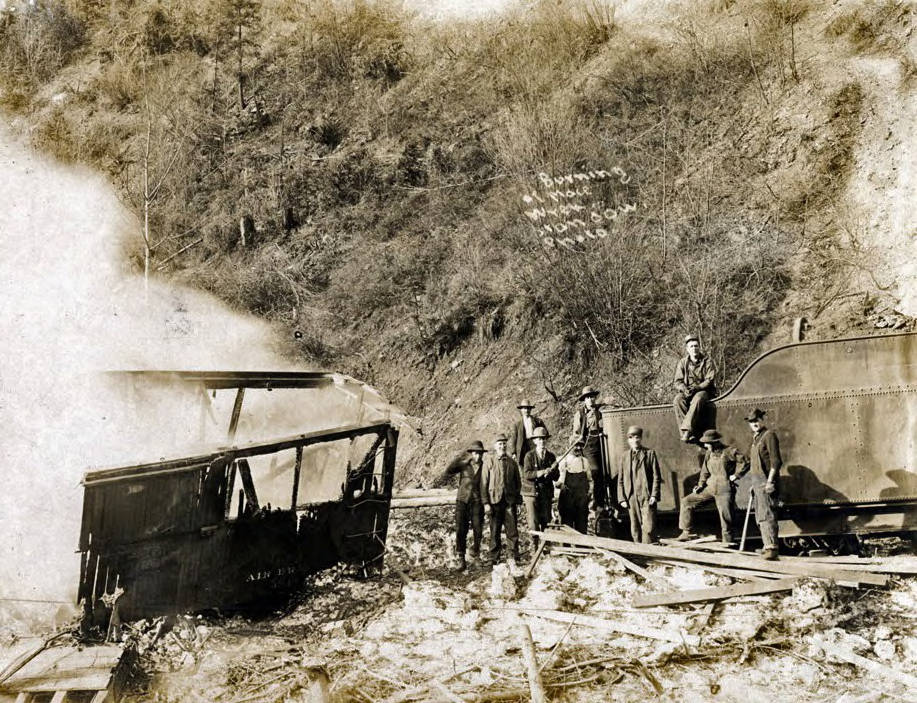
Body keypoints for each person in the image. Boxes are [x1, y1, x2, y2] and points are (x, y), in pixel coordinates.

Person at [676, 429, 747, 545]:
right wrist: (700, 485)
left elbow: (746, 462)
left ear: (714, 442)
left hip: (724, 489)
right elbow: (705, 471)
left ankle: (728, 542)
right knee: (687, 502)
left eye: (707, 443)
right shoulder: (709, 453)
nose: (705, 445)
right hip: (710, 487)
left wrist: (736, 476)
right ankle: (686, 532)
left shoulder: (729, 451)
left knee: (726, 517)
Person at [744, 408, 783, 560]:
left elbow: (776, 462)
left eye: (756, 420)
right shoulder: (756, 438)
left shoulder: (769, 435)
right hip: (757, 483)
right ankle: (767, 545)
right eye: (751, 422)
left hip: (766, 482)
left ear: (762, 420)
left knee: (767, 515)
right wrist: (753, 484)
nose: (754, 424)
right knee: (760, 516)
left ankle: (772, 548)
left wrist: (770, 481)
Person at [481, 433, 523, 569]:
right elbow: (483, 483)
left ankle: (513, 556)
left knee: (512, 530)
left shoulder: (512, 462)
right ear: (495, 446)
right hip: (494, 502)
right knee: (495, 530)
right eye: (500, 444)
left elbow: (518, 483)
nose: (502, 446)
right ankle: (494, 557)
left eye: (504, 443)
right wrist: (486, 503)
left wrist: (518, 501)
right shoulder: (489, 461)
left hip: (509, 502)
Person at [442, 440, 487, 570]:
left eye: (479, 453)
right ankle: (461, 558)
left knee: (478, 529)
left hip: (477, 501)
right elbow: (449, 471)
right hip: (462, 500)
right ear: (471, 454)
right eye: (475, 453)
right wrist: (460, 460)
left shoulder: (485, 467)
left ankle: (476, 554)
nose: (477, 456)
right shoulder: (464, 465)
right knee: (461, 529)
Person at [616, 426, 662, 544]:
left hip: (646, 495)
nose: (635, 440)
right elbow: (620, 479)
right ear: (628, 440)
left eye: (637, 437)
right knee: (635, 526)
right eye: (631, 438)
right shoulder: (624, 457)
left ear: (641, 439)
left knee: (649, 526)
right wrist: (622, 498)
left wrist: (654, 495)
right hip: (631, 496)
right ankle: (638, 549)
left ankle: (648, 549)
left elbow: (656, 476)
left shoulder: (650, 454)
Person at [673, 335, 717, 442]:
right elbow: (677, 381)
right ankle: (686, 433)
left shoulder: (707, 361)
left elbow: (709, 380)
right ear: (687, 349)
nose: (694, 348)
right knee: (678, 399)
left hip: (704, 392)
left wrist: (697, 388)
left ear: (699, 347)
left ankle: (688, 431)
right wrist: (684, 389)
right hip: (688, 391)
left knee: (698, 397)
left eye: (696, 346)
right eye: (691, 346)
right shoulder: (683, 363)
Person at [572, 385, 607, 508]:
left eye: (592, 397)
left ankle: (608, 502)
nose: (590, 400)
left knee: (607, 471)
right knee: (595, 472)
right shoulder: (580, 414)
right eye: (587, 398)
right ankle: (598, 504)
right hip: (589, 445)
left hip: (603, 443)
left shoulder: (601, 411)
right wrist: (578, 445)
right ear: (584, 400)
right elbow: (576, 433)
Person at [522, 427, 558, 545]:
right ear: (534, 441)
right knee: (533, 522)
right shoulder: (529, 456)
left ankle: (546, 547)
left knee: (546, 520)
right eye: (539, 439)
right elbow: (527, 474)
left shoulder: (551, 456)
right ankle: (536, 547)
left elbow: (556, 477)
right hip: (532, 493)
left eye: (544, 439)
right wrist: (541, 472)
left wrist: (552, 471)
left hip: (545, 493)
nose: (542, 441)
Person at [555, 434, 593, 533]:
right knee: (567, 529)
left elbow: (590, 480)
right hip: (567, 500)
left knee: (581, 528)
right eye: (576, 445)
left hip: (581, 501)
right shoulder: (563, 461)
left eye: (580, 445)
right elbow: (557, 481)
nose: (578, 448)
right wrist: (559, 485)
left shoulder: (585, 462)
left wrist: (589, 493)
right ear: (570, 446)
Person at [509, 399, 547, 468]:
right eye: (524, 408)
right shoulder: (517, 424)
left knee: (536, 461)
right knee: (524, 464)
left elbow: (545, 432)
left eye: (528, 408)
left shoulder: (537, 421)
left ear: (531, 409)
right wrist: (513, 452)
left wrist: (541, 441)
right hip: (523, 446)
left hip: (534, 444)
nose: (526, 410)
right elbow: (514, 438)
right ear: (521, 410)